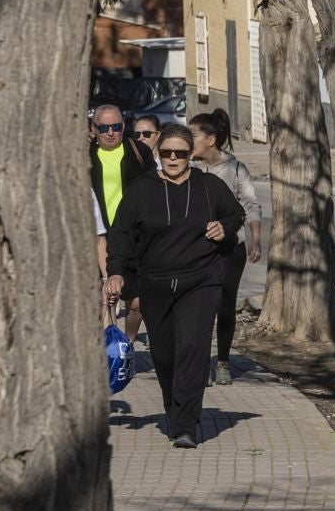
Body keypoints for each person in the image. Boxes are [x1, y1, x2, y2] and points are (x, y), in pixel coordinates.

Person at [104, 124, 245, 448]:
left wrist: (224, 226)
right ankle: (175, 411)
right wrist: (116, 272)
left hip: (201, 281)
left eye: (179, 153)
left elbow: (234, 214)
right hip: (155, 283)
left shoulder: (209, 186)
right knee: (165, 356)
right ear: (159, 154)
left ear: (190, 155)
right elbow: (121, 233)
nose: (172, 159)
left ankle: (185, 425)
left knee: (193, 351)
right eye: (166, 153)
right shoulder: (142, 189)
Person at [190, 110, 263, 386]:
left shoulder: (235, 169)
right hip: (199, 249)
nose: (189, 139)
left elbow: (251, 205)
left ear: (210, 139)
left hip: (232, 248)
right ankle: (200, 362)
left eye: (193, 135)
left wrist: (255, 239)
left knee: (225, 303)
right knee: (200, 304)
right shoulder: (190, 168)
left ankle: (222, 362)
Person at [90, 103, 152, 347]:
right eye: (103, 127)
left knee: (136, 301)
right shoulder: (84, 155)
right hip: (99, 233)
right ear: (94, 129)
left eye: (115, 126)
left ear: (123, 126)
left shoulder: (138, 152)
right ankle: (109, 350)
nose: (110, 132)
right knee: (105, 296)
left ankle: (129, 339)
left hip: (133, 236)